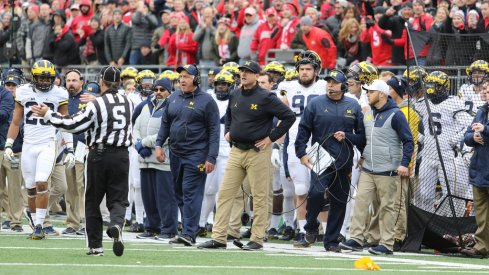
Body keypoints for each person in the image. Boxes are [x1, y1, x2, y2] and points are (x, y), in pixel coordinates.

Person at [31, 66, 133, 257]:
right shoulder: (129, 102)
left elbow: (72, 125)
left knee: (93, 201)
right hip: (122, 155)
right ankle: (117, 224)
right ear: (119, 82)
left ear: (101, 82)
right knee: (119, 199)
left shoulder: (96, 104)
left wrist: (47, 114)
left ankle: (95, 246)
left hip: (99, 155)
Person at [198, 60, 296, 250]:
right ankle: (219, 237)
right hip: (236, 150)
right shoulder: (234, 93)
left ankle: (257, 238)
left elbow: (289, 116)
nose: (243, 74)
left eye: (248, 72)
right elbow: (228, 116)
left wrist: (271, 138)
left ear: (257, 76)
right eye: (242, 71)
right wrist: (228, 131)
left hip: (257, 151)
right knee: (225, 193)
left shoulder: (266, 97)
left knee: (259, 197)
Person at [293, 70, 366, 251]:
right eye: (328, 82)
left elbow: (362, 136)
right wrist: (301, 153)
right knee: (316, 193)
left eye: (334, 82)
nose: (330, 85)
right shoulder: (315, 104)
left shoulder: (353, 105)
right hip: (321, 157)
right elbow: (303, 130)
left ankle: (331, 241)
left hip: (344, 159)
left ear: (343, 86)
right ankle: (310, 228)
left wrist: (353, 143)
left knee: (339, 201)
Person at [340, 79, 414, 255]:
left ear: (381, 93)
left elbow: (408, 141)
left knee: (387, 208)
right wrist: (347, 136)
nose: (367, 94)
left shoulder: (396, 115)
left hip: (388, 170)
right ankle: (356, 239)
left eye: (371, 91)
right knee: (360, 203)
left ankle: (387, 244)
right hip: (369, 168)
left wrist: (404, 164)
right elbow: (365, 140)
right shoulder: (367, 114)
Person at [4, 60, 72, 240]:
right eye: (41, 77)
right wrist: (9, 143)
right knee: (31, 189)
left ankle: (40, 225)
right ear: (33, 77)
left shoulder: (59, 93)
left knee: (43, 183)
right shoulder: (23, 91)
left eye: (48, 77)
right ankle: (35, 222)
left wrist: (70, 148)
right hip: (28, 144)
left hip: (48, 143)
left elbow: (66, 123)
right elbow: (16, 121)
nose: (44, 81)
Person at [154, 64, 220, 246]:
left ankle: (190, 232)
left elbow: (215, 131)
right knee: (179, 192)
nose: (182, 79)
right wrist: (159, 144)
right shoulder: (173, 98)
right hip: (175, 152)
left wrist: (211, 157)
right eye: (180, 76)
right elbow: (165, 123)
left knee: (191, 192)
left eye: (186, 76)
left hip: (196, 154)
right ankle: (187, 229)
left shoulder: (207, 101)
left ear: (196, 79)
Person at [277, 50, 327, 241]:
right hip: (296, 142)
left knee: (321, 190)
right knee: (300, 190)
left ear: (316, 71)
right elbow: (280, 114)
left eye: (308, 69)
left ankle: (324, 230)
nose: (304, 72)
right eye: (302, 69)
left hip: (318, 143)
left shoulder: (324, 86)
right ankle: (303, 230)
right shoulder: (287, 87)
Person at [133, 78, 178, 240]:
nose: (158, 92)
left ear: (169, 91)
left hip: (162, 160)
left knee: (165, 197)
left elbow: (168, 133)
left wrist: (145, 142)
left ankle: (169, 229)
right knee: (148, 196)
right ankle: (152, 227)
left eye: (162, 89)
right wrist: (137, 144)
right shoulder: (146, 106)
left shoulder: (172, 106)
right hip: (145, 160)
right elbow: (135, 127)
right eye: (156, 89)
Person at [197, 71, 234, 237]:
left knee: (223, 192)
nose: (221, 87)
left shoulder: (235, 101)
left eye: (225, 84)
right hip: (209, 150)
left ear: (230, 86)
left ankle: (220, 226)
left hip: (227, 151)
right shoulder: (208, 99)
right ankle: (201, 223)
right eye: (219, 83)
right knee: (206, 190)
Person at [462, 83, 489, 258]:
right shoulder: (481, 111)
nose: (484, 93)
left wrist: (485, 130)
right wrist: (474, 136)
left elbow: (483, 129)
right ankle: (482, 246)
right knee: (481, 213)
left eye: (487, 91)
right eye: (484, 90)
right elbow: (467, 136)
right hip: (480, 169)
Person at [61, 69, 88, 235]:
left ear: (81, 82)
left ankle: (85, 222)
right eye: (68, 80)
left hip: (81, 146)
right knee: (69, 188)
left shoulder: (87, 99)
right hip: (66, 148)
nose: (71, 83)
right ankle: (72, 223)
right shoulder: (62, 98)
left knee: (81, 187)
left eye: (74, 80)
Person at [0, 69, 24, 233]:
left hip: (15, 149)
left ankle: (15, 220)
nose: (10, 88)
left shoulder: (20, 99)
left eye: (13, 85)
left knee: (15, 188)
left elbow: (3, 115)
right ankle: (9, 218)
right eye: (8, 84)